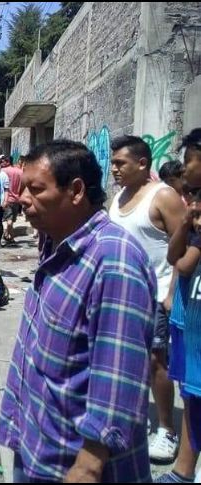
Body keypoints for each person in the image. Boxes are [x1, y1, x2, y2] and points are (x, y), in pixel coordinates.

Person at [0, 140, 156, 482]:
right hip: (37, 446)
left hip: (71, 465)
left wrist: (89, 463)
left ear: (76, 190)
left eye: (36, 189)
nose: (23, 198)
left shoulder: (113, 261)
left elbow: (119, 373)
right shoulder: (58, 244)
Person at [108, 135, 186, 463]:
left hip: (159, 294)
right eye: (112, 163)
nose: (114, 169)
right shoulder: (119, 196)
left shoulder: (163, 196)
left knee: (157, 362)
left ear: (142, 164)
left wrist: (171, 293)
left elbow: (188, 242)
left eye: (120, 163)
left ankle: (167, 429)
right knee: (127, 360)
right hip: (126, 295)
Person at [157, 128, 201, 484]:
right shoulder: (193, 208)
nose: (184, 169)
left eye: (189, 161)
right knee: (192, 396)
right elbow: (175, 257)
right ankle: (183, 473)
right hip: (190, 314)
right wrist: (187, 221)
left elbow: (185, 263)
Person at [2, 155, 25, 244]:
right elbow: (23, 185)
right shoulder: (20, 172)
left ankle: (7, 234)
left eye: (3, 161)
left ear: (7, 162)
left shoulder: (2, 171)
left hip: (5, 199)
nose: (2, 163)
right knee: (11, 219)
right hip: (16, 199)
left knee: (7, 219)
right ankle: (10, 237)